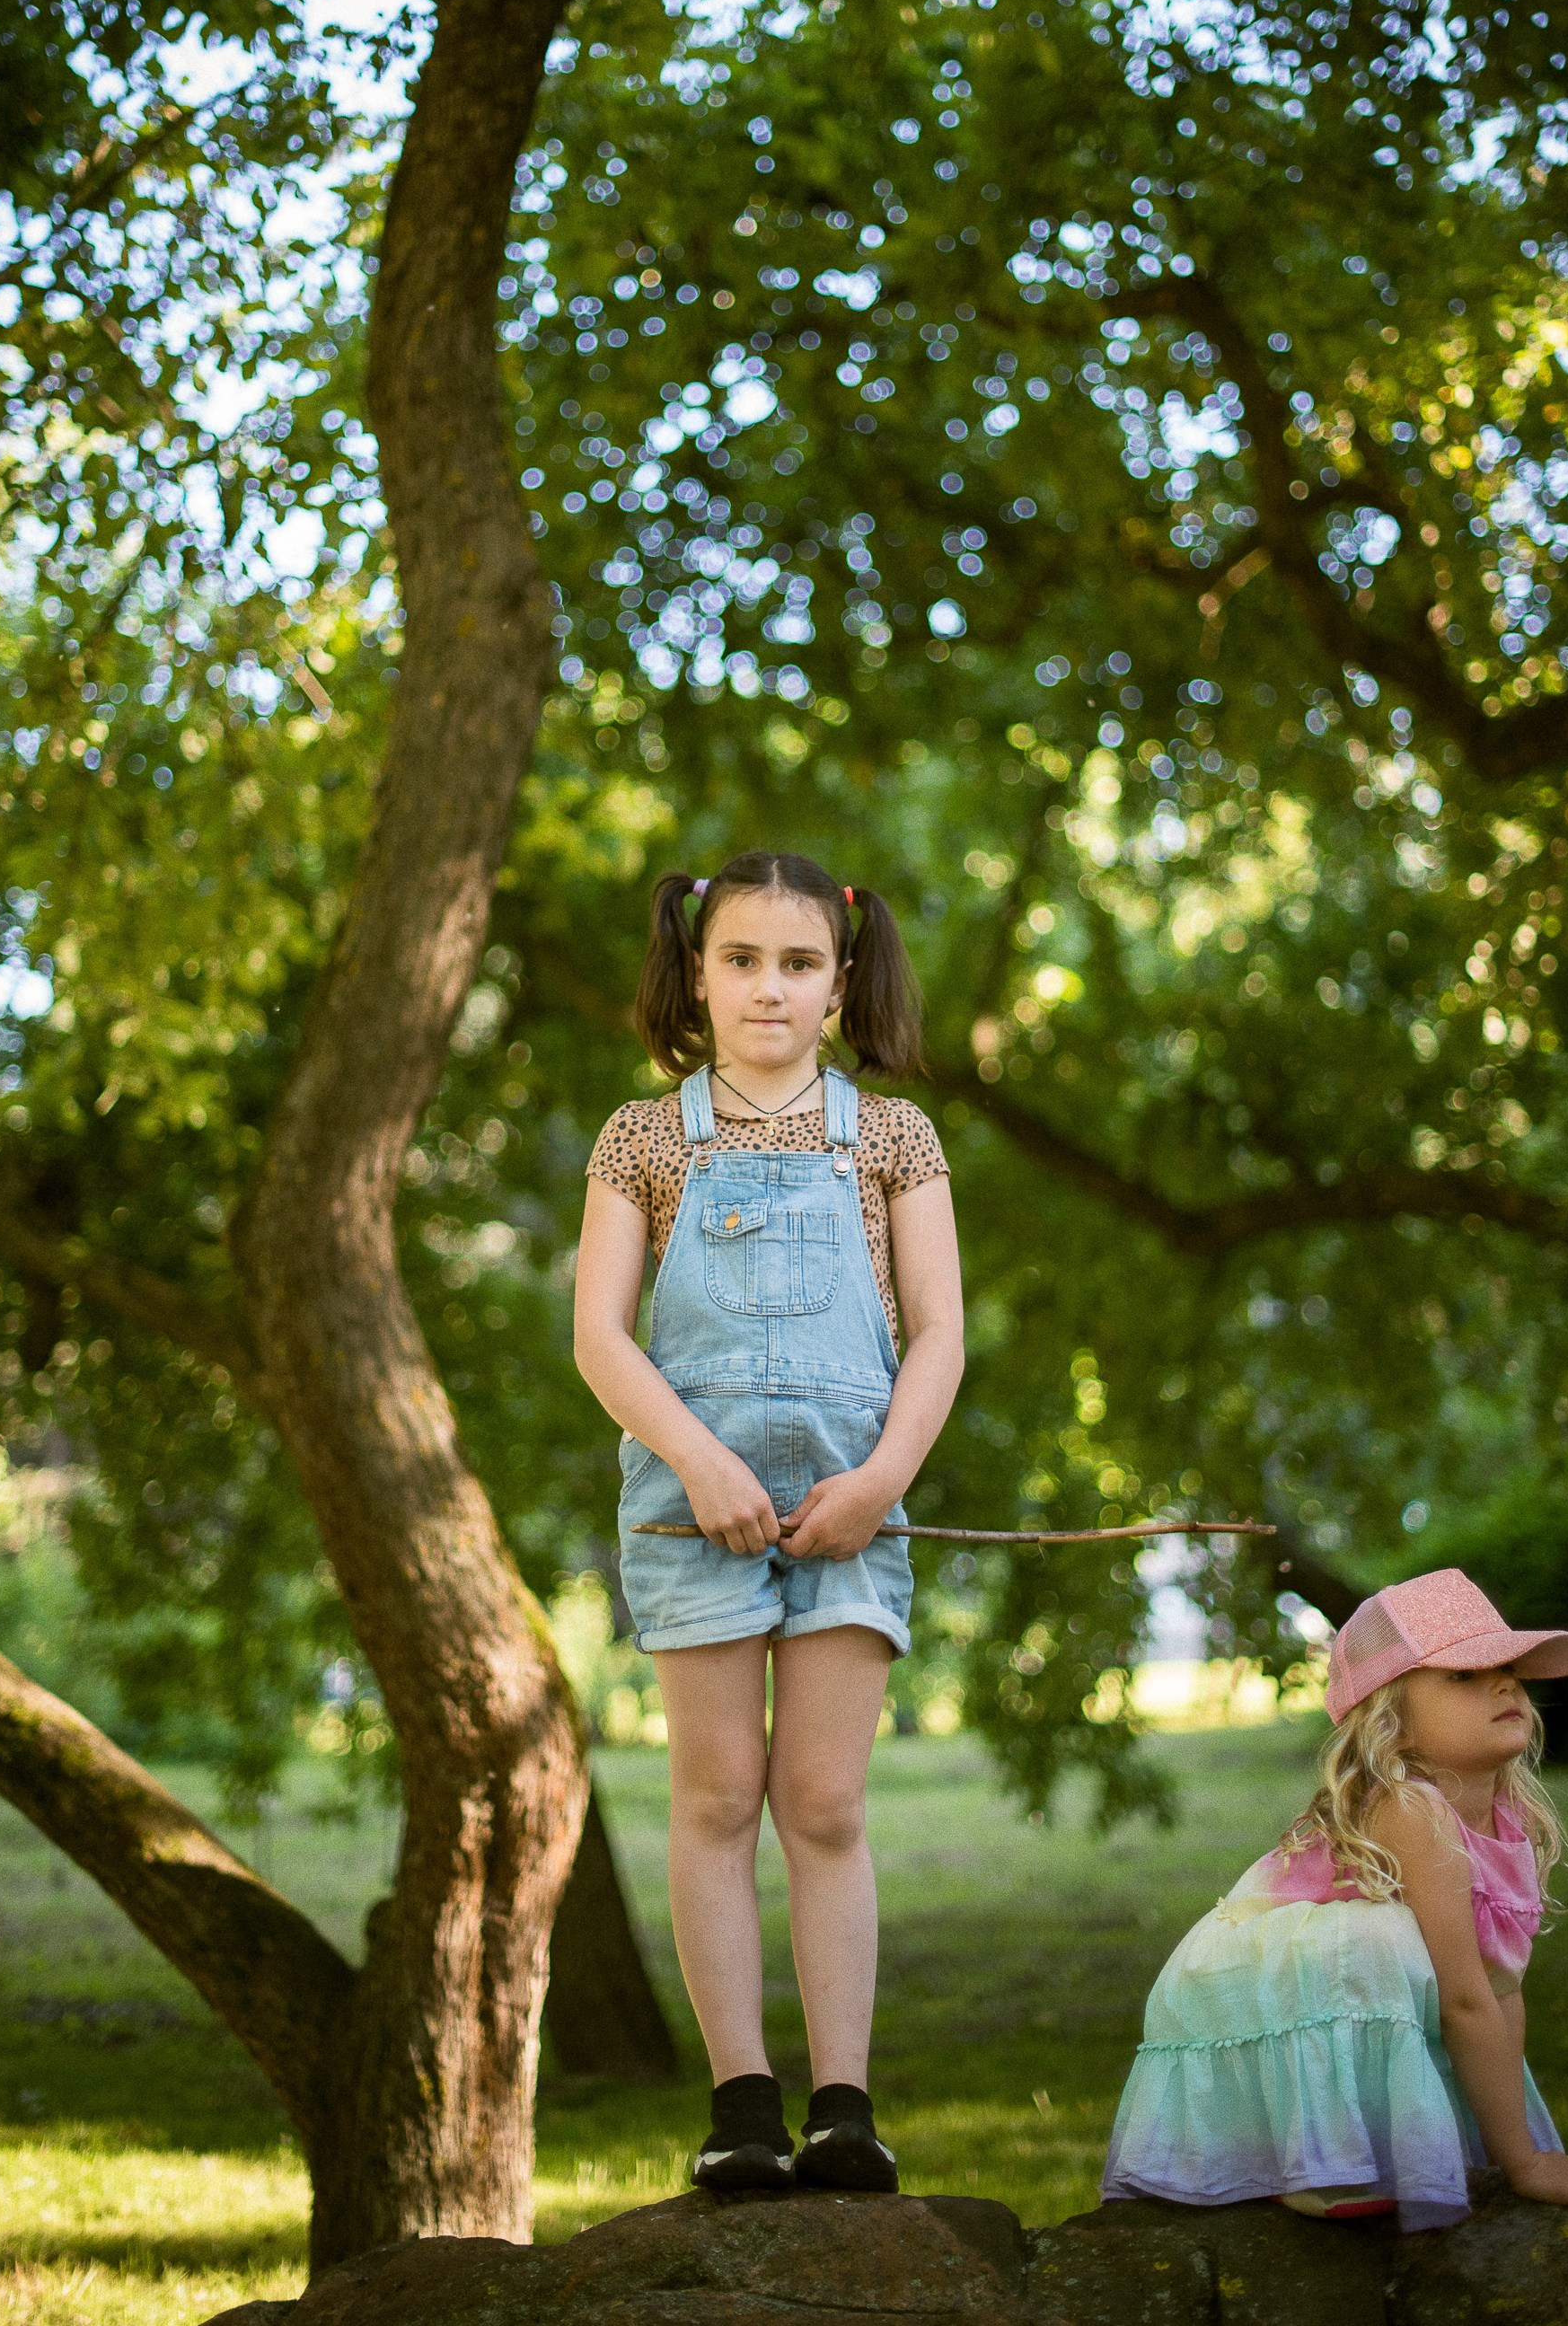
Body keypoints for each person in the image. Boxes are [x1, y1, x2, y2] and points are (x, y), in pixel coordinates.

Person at [574, 851, 964, 2196]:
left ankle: (843, 2105)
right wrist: (692, 1461)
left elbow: (937, 1339)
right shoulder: (643, 1139)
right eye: (740, 959)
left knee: (822, 1799)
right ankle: (741, 2103)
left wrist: (878, 1482)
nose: (767, 988)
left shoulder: (893, 1140)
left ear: (841, 984)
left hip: (851, 1512)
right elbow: (599, 1340)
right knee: (718, 1795)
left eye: (797, 964)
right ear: (696, 971)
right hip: (693, 1517)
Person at [1100, 1569, 1568, 2233]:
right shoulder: (1413, 1810)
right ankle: (1322, 2160)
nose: (1503, 1684)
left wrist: (1518, 2150)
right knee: (1378, 1942)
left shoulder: (1513, 1815)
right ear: (1394, 1722)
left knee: (1418, 1964)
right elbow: (1461, 1998)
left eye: (1507, 1670)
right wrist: (1526, 2164)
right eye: (1462, 1676)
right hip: (1263, 1994)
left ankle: (1401, 2148)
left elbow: (1499, 1987)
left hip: (1375, 1996)